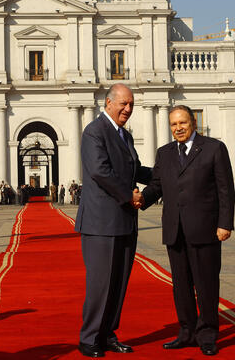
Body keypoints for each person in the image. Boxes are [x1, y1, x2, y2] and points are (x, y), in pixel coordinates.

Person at [134, 105, 235, 356]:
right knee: (181, 286)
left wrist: (225, 223)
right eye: (173, 124)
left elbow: (225, 189)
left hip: (206, 229)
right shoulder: (164, 153)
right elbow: (157, 185)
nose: (178, 128)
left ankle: (208, 334)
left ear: (193, 123)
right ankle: (187, 332)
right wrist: (141, 200)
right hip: (174, 230)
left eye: (183, 123)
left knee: (206, 285)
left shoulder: (213, 148)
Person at [75, 83, 151, 358]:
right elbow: (100, 171)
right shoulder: (94, 131)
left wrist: (166, 174)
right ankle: (89, 338)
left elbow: (135, 169)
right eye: (123, 104)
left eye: (131, 104)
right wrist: (129, 196)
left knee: (119, 283)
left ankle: (107, 334)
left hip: (125, 221)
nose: (128, 109)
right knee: (101, 283)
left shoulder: (124, 136)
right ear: (109, 102)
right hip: (101, 223)